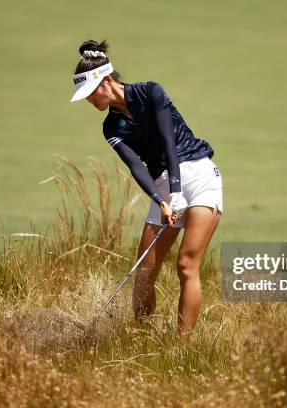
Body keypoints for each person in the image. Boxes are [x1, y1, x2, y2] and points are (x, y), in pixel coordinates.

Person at [70, 40, 223, 338]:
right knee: (143, 274)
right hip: (163, 186)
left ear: (107, 81)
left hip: (200, 175)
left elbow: (169, 142)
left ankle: (181, 349)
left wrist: (177, 192)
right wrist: (162, 199)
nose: (89, 101)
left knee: (186, 265)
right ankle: (144, 341)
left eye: (90, 93)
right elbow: (136, 166)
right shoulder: (110, 127)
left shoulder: (150, 91)